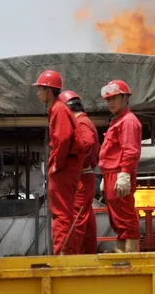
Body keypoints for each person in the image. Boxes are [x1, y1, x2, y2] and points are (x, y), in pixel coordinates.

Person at [33, 70, 85, 255]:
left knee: (61, 213)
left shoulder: (58, 109)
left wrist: (57, 164)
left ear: (48, 90)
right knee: (63, 212)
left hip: (64, 167)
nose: (38, 93)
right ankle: (66, 251)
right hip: (67, 166)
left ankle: (63, 253)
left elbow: (63, 139)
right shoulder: (58, 109)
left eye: (40, 89)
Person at [98, 79, 142, 253]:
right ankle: (121, 255)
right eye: (108, 99)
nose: (110, 102)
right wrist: (106, 175)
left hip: (119, 173)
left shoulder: (128, 121)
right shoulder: (117, 121)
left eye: (114, 98)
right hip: (112, 173)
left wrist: (124, 174)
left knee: (125, 217)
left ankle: (130, 257)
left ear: (125, 99)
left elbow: (130, 150)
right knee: (117, 219)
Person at [59, 90, 100, 255]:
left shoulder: (81, 123)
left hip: (81, 178)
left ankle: (71, 259)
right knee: (85, 220)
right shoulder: (83, 122)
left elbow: (87, 143)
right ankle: (88, 256)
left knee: (75, 221)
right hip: (84, 177)